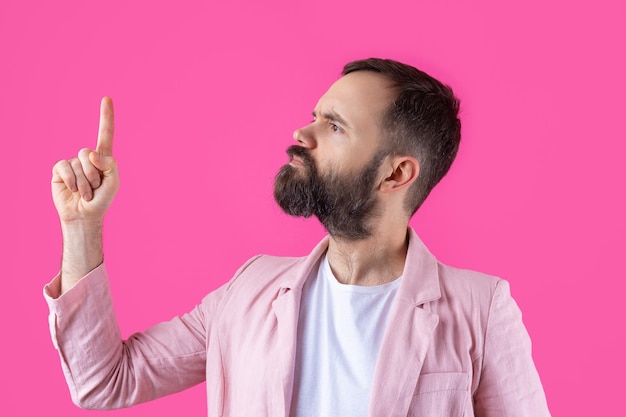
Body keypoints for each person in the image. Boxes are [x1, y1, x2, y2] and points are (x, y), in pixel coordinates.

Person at [45, 58, 551, 416]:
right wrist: (81, 227)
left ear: (397, 174)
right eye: (315, 116)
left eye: (334, 127)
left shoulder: (480, 310)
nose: (301, 135)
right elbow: (103, 382)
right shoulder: (248, 291)